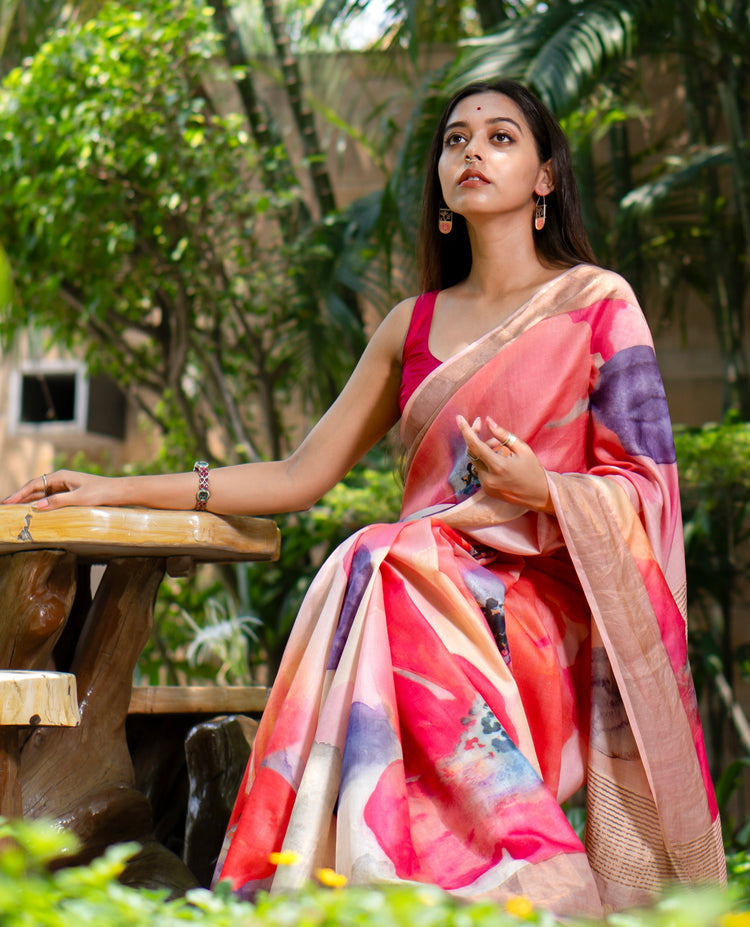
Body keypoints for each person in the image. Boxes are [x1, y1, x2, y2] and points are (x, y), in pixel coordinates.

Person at [4, 79, 726, 915]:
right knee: (383, 557)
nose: (472, 151)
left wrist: (543, 489)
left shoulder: (598, 305)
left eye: (500, 137)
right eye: (455, 140)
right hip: (412, 594)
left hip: (542, 618)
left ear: (545, 177)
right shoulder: (409, 327)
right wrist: (116, 485)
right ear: (441, 181)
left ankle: (506, 880)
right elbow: (295, 475)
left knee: (382, 556)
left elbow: (646, 491)